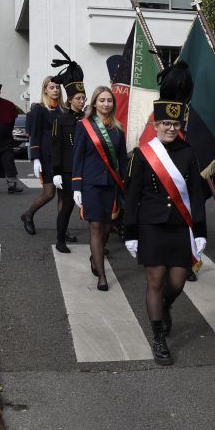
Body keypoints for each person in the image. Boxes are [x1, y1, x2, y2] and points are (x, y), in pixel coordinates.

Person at [124, 63, 207, 365]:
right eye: (165, 124)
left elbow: (197, 195)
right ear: (156, 125)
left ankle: (164, 306)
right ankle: (158, 338)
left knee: (178, 281)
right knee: (155, 280)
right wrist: (130, 231)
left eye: (175, 124)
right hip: (151, 226)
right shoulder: (144, 155)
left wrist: (200, 232)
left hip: (179, 227)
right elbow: (132, 196)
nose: (171, 129)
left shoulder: (188, 153)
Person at [72, 86, 126, 291]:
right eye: (102, 100)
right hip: (91, 184)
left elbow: (121, 159)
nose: (106, 104)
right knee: (95, 226)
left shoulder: (118, 128)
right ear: (94, 103)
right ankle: (102, 275)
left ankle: (95, 257)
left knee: (105, 227)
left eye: (109, 100)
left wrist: (123, 185)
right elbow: (77, 157)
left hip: (111, 184)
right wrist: (76, 185)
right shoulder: (84, 126)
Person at [47, 49, 87, 251]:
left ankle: (98, 240)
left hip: (85, 170)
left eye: (83, 98)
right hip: (67, 171)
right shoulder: (60, 119)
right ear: (70, 99)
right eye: (78, 98)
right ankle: (60, 239)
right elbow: (56, 148)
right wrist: (55, 172)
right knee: (67, 206)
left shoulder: (88, 120)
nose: (82, 101)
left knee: (91, 205)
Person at [21, 76, 66, 236]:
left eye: (57, 87)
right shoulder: (39, 109)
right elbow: (35, 134)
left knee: (64, 195)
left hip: (62, 158)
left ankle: (62, 228)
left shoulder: (63, 110)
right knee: (49, 194)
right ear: (45, 89)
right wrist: (35, 158)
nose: (55, 90)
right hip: (46, 158)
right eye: (52, 87)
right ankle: (28, 215)